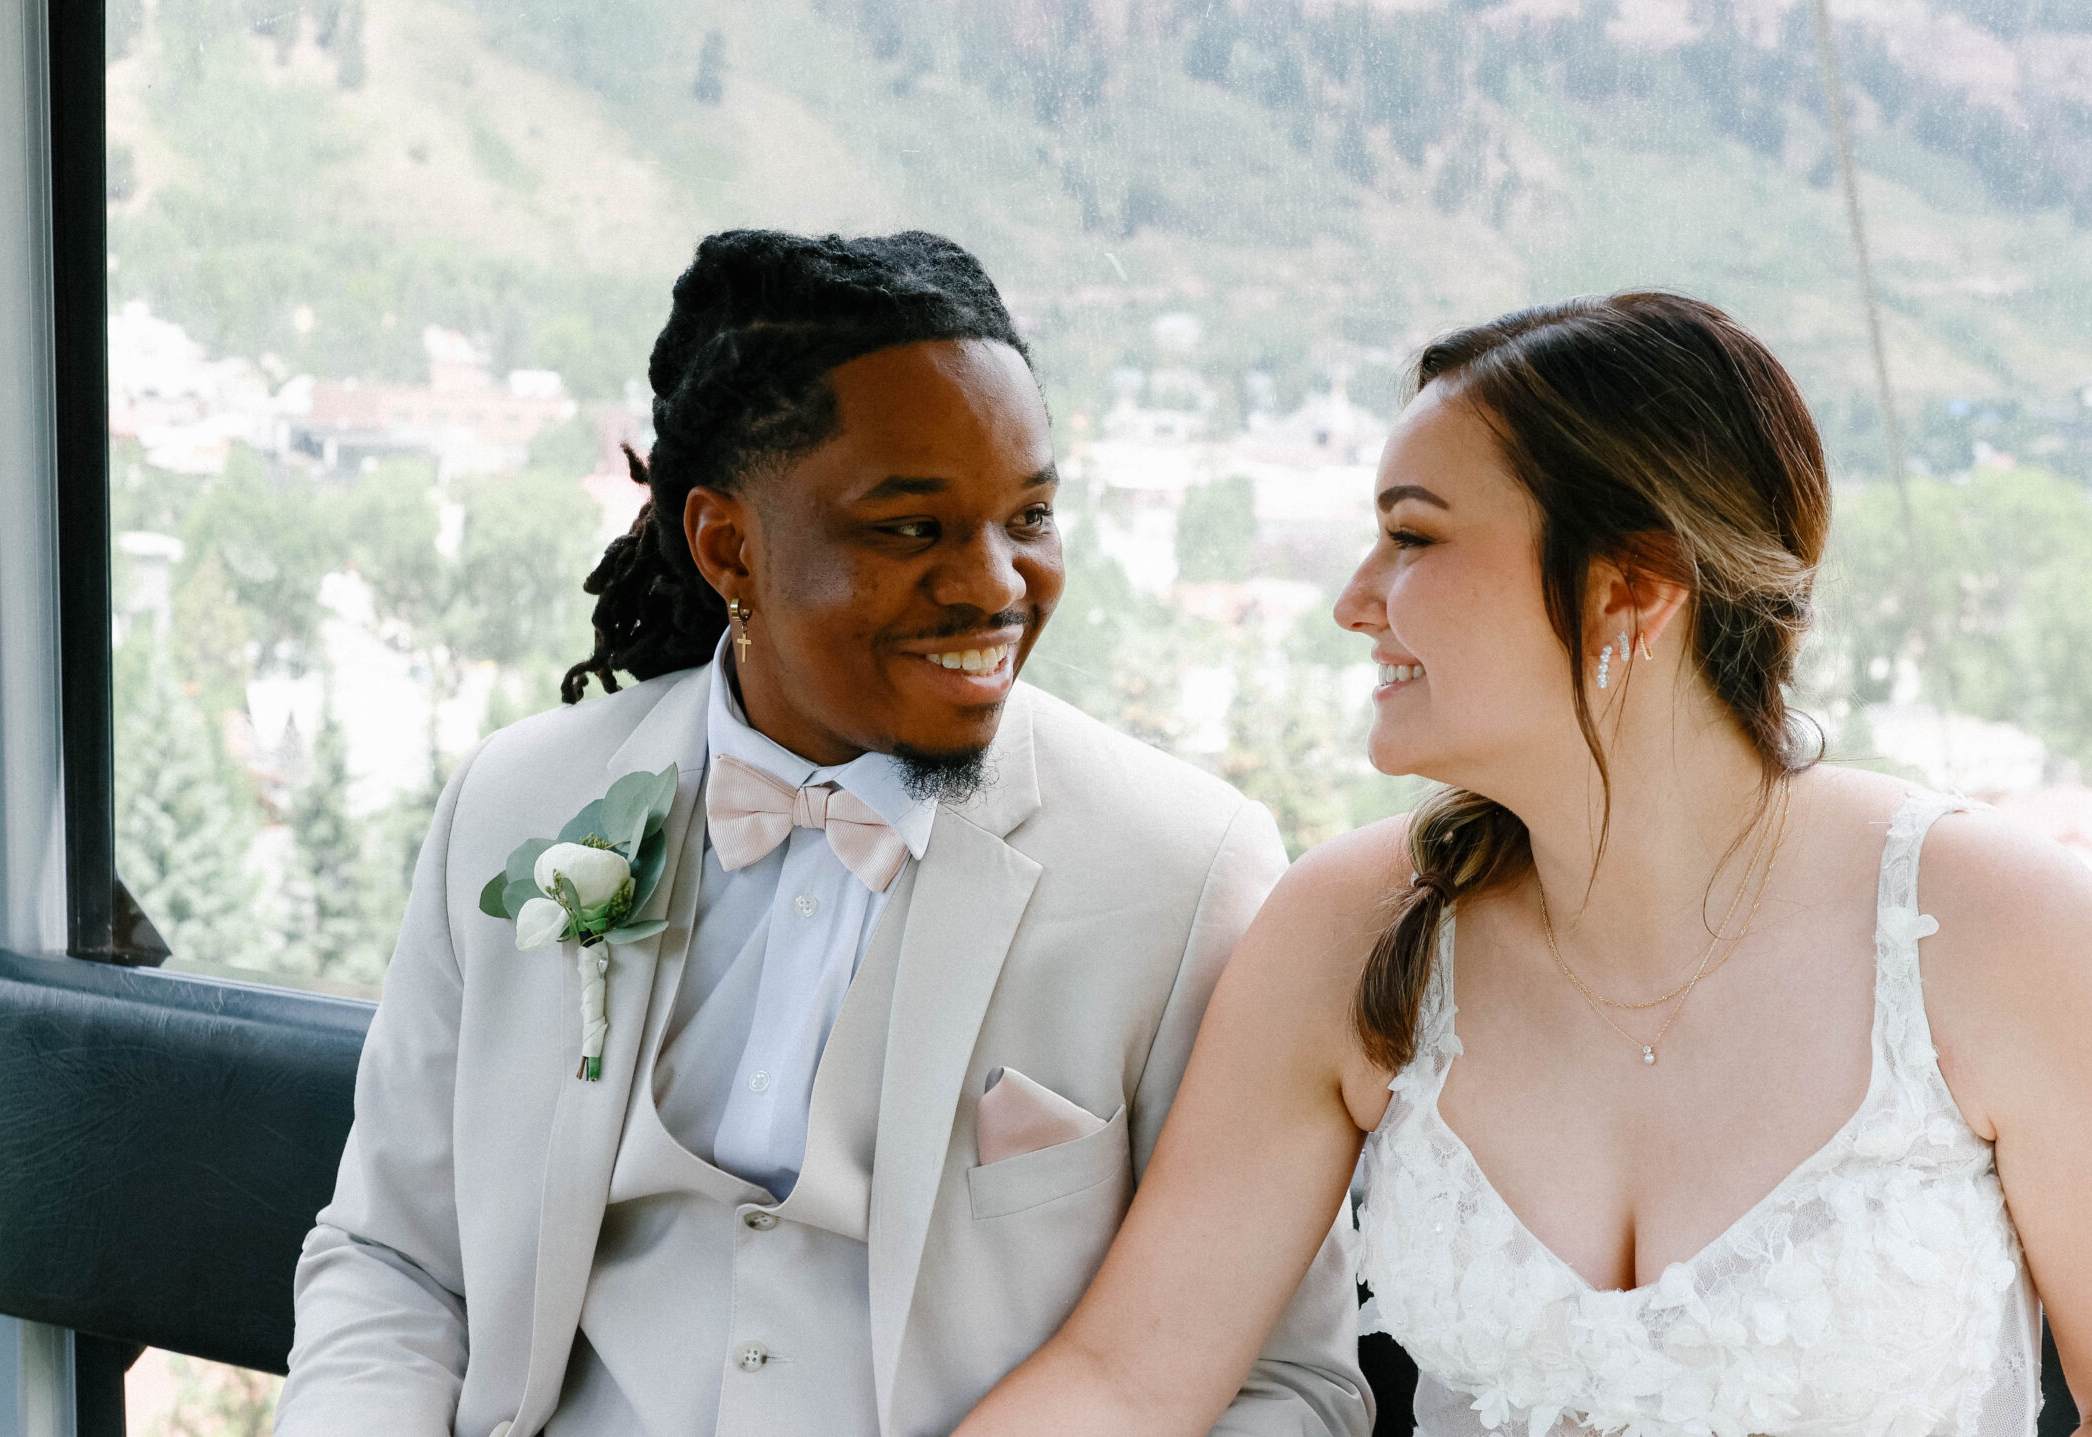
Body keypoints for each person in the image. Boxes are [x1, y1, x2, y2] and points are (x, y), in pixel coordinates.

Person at [956, 293, 2092, 1437]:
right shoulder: (1346, 929)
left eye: (1414, 538)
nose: (1357, 597)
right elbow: (1128, 1381)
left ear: (1632, 589)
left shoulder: (2003, 931)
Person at [276, 230, 1368, 1437]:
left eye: (1032, 515)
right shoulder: (516, 801)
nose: (998, 584)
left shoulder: (1185, 869)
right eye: (911, 529)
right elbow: (392, 1257)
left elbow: (1286, 1388)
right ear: (727, 545)